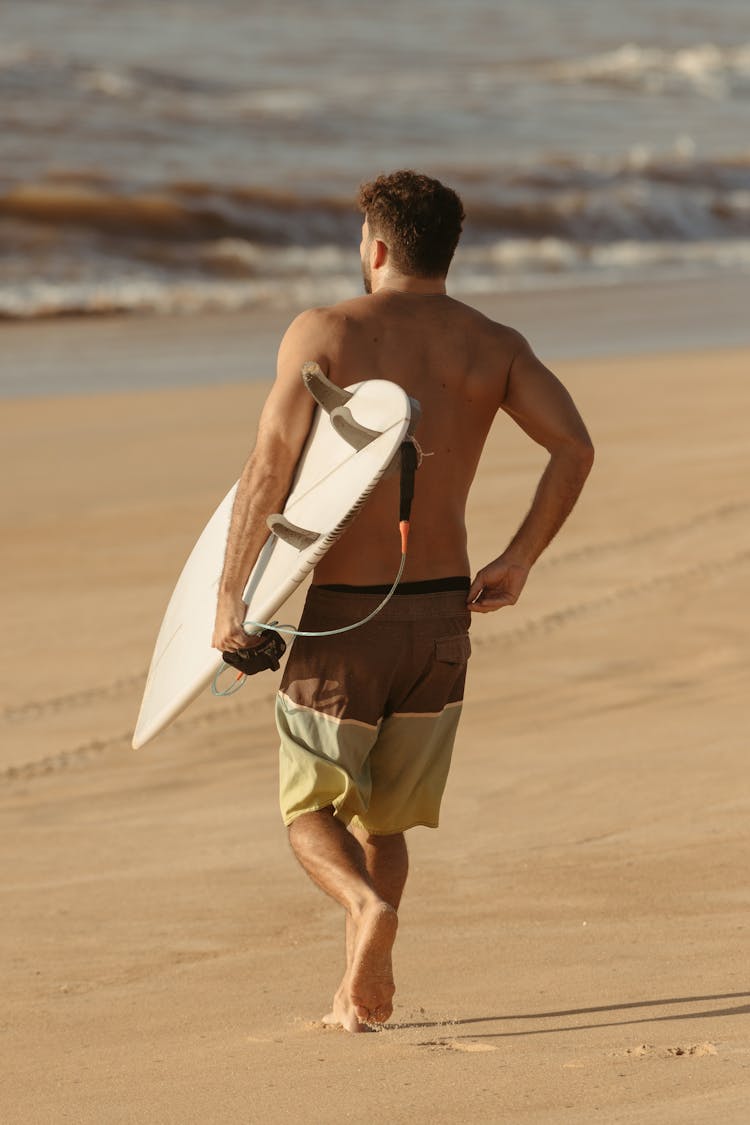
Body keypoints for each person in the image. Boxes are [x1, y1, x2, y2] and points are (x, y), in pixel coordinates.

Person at [212, 170, 594, 1033]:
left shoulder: (327, 331)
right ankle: (358, 991)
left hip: (346, 615)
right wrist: (520, 559)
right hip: (442, 616)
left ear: (374, 248)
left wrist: (230, 595)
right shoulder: (494, 343)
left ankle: (362, 911)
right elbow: (574, 447)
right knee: (386, 819)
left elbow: (268, 464)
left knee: (309, 809)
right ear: (445, 253)